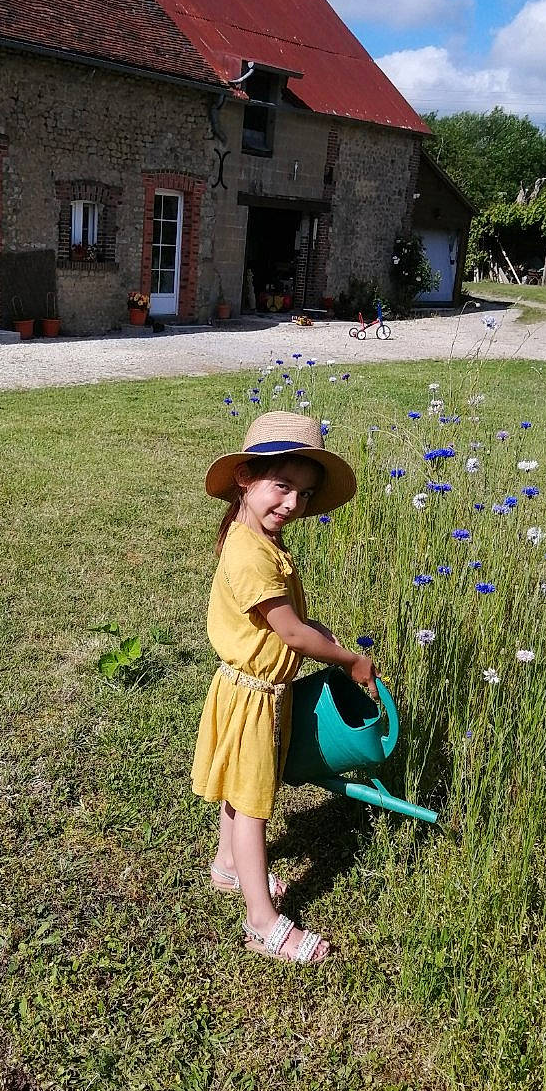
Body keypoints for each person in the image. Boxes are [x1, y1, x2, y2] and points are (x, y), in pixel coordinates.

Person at [191, 411, 378, 964]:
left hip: (244, 688)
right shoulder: (251, 555)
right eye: (282, 485)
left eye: (304, 492)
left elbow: (293, 619)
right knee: (253, 803)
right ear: (246, 479)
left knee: (238, 786)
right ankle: (260, 921)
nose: (292, 504)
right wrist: (351, 660)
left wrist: (329, 639)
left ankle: (228, 867)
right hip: (253, 695)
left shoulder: (252, 538)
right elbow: (291, 631)